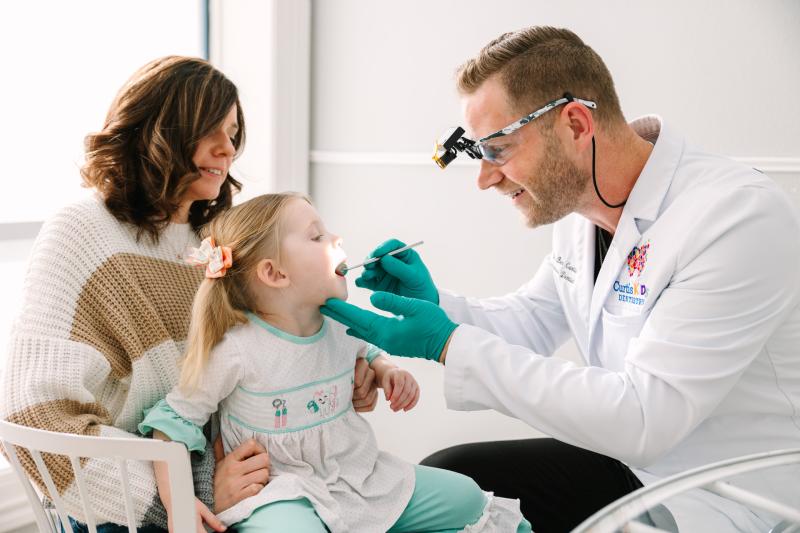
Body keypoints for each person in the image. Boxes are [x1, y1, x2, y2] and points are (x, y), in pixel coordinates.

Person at [320, 26, 800, 533]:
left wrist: (448, 344)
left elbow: (645, 418)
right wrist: (442, 309)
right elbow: (532, 320)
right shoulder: (584, 211)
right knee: (454, 477)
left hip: (727, 494)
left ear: (574, 124)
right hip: (637, 466)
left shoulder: (735, 216)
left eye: (497, 150)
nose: (484, 179)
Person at [0, 56, 375, 532]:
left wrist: (341, 372)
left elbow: (259, 356)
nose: (227, 150)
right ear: (155, 129)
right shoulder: (82, 233)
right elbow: (35, 419)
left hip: (257, 481)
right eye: (209, 130)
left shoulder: (216, 238)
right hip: (132, 511)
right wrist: (186, 493)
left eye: (233, 133)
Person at [137, 192, 531, 533]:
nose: (336, 238)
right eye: (316, 235)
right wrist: (179, 504)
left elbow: (371, 355)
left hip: (360, 477)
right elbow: (173, 424)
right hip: (280, 491)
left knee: (467, 498)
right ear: (274, 273)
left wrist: (388, 373)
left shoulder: (343, 324)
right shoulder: (237, 352)